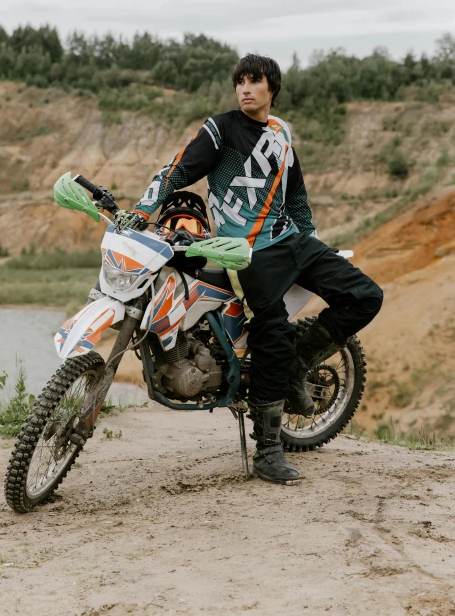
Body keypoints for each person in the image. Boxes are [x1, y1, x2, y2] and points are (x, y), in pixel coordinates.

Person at [114, 54, 383, 484]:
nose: (245, 88)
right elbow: (178, 169)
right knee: (271, 331)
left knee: (367, 296)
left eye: (254, 81)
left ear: (271, 88)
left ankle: (299, 361)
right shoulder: (221, 128)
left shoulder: (281, 133)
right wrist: (143, 208)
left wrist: (309, 236)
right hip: (246, 250)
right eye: (240, 81)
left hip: (292, 241)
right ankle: (269, 451)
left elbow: (295, 194)